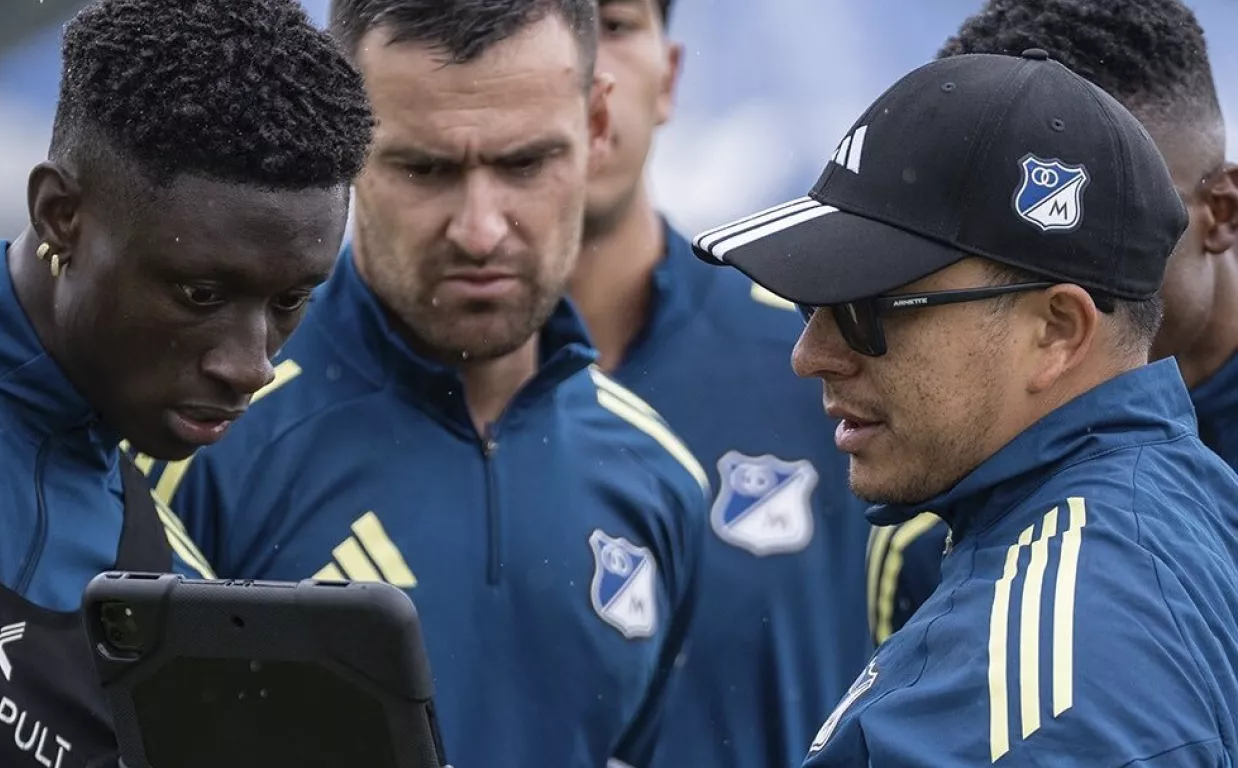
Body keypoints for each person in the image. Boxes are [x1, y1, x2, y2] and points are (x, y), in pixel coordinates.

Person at [136, 1, 707, 767]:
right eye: (426, 169)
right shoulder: (196, 445)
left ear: (598, 127)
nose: (480, 229)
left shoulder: (662, 477)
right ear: (338, 150)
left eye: (524, 164)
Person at [694, 49, 1238, 766]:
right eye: (812, 300)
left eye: (868, 306)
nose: (811, 353)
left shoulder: (1019, 688)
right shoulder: (1194, 504)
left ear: (1056, 332)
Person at [0, 0, 373, 763]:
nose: (252, 364)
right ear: (60, 215)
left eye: (290, 301)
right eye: (200, 294)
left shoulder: (173, 601)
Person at [867, 0, 1238, 649]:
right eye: (997, 241)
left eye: (1107, 219)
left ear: (1222, 212)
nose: (1044, 282)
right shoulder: (935, 507)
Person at [575, 1, 871, 765]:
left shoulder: (826, 357)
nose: (583, 68)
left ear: (669, 76)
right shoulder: (269, 397)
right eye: (540, 18)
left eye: (612, 23)